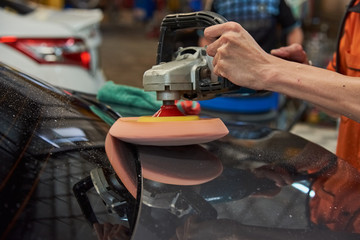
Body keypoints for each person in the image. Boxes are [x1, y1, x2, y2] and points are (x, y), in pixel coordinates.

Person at [203, 0, 360, 170]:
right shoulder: (354, 11)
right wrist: (300, 73)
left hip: (263, 98)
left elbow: (293, 30)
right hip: (349, 183)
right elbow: (338, 107)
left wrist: (271, 70)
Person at [201, 0, 304, 52]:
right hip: (230, 71)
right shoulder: (219, 2)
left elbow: (293, 30)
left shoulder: (274, 1)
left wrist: (292, 54)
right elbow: (206, 37)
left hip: (268, 68)